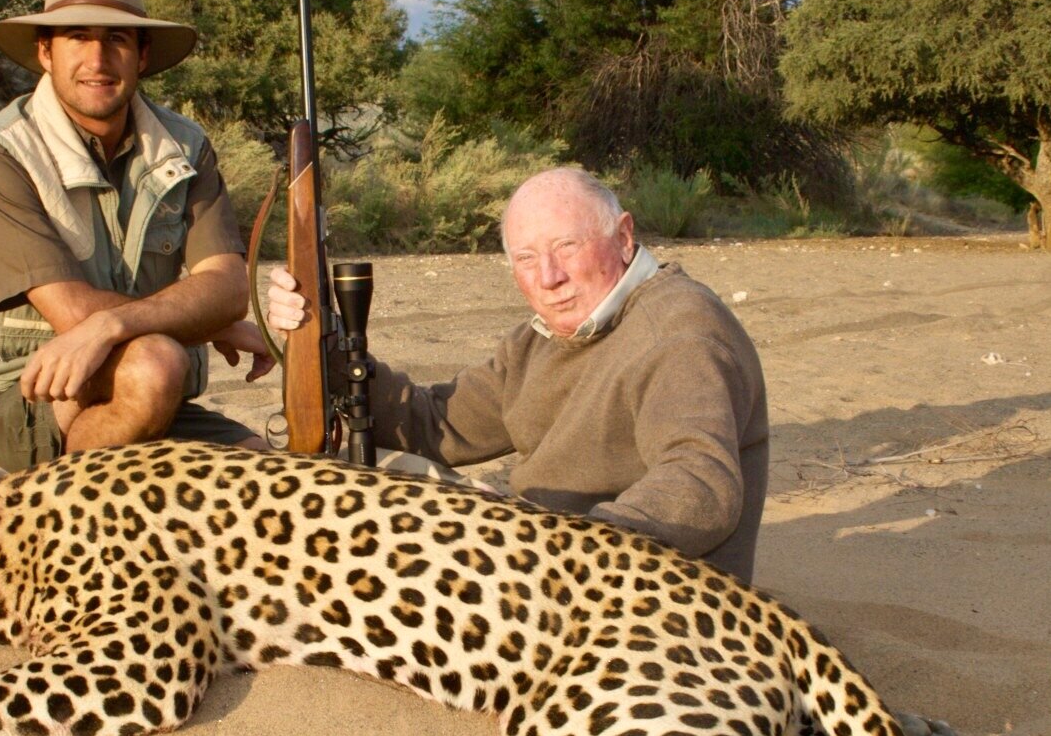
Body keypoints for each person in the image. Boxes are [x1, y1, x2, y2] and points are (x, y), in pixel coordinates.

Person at [264, 166, 769, 583]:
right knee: (378, 469)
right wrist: (319, 343)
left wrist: (556, 552)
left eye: (567, 246)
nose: (549, 277)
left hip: (636, 591)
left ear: (624, 237)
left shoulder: (678, 328)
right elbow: (436, 425)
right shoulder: (539, 340)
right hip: (550, 553)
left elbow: (701, 484)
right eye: (527, 258)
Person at [0, 0, 268, 470]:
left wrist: (120, 325)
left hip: (152, 385)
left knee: (266, 475)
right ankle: (70, 528)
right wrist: (197, 320)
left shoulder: (185, 147)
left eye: (116, 39)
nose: (97, 61)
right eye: (78, 37)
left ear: (141, 55)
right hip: (31, 390)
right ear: (45, 52)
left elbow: (230, 289)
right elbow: (72, 313)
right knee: (158, 363)